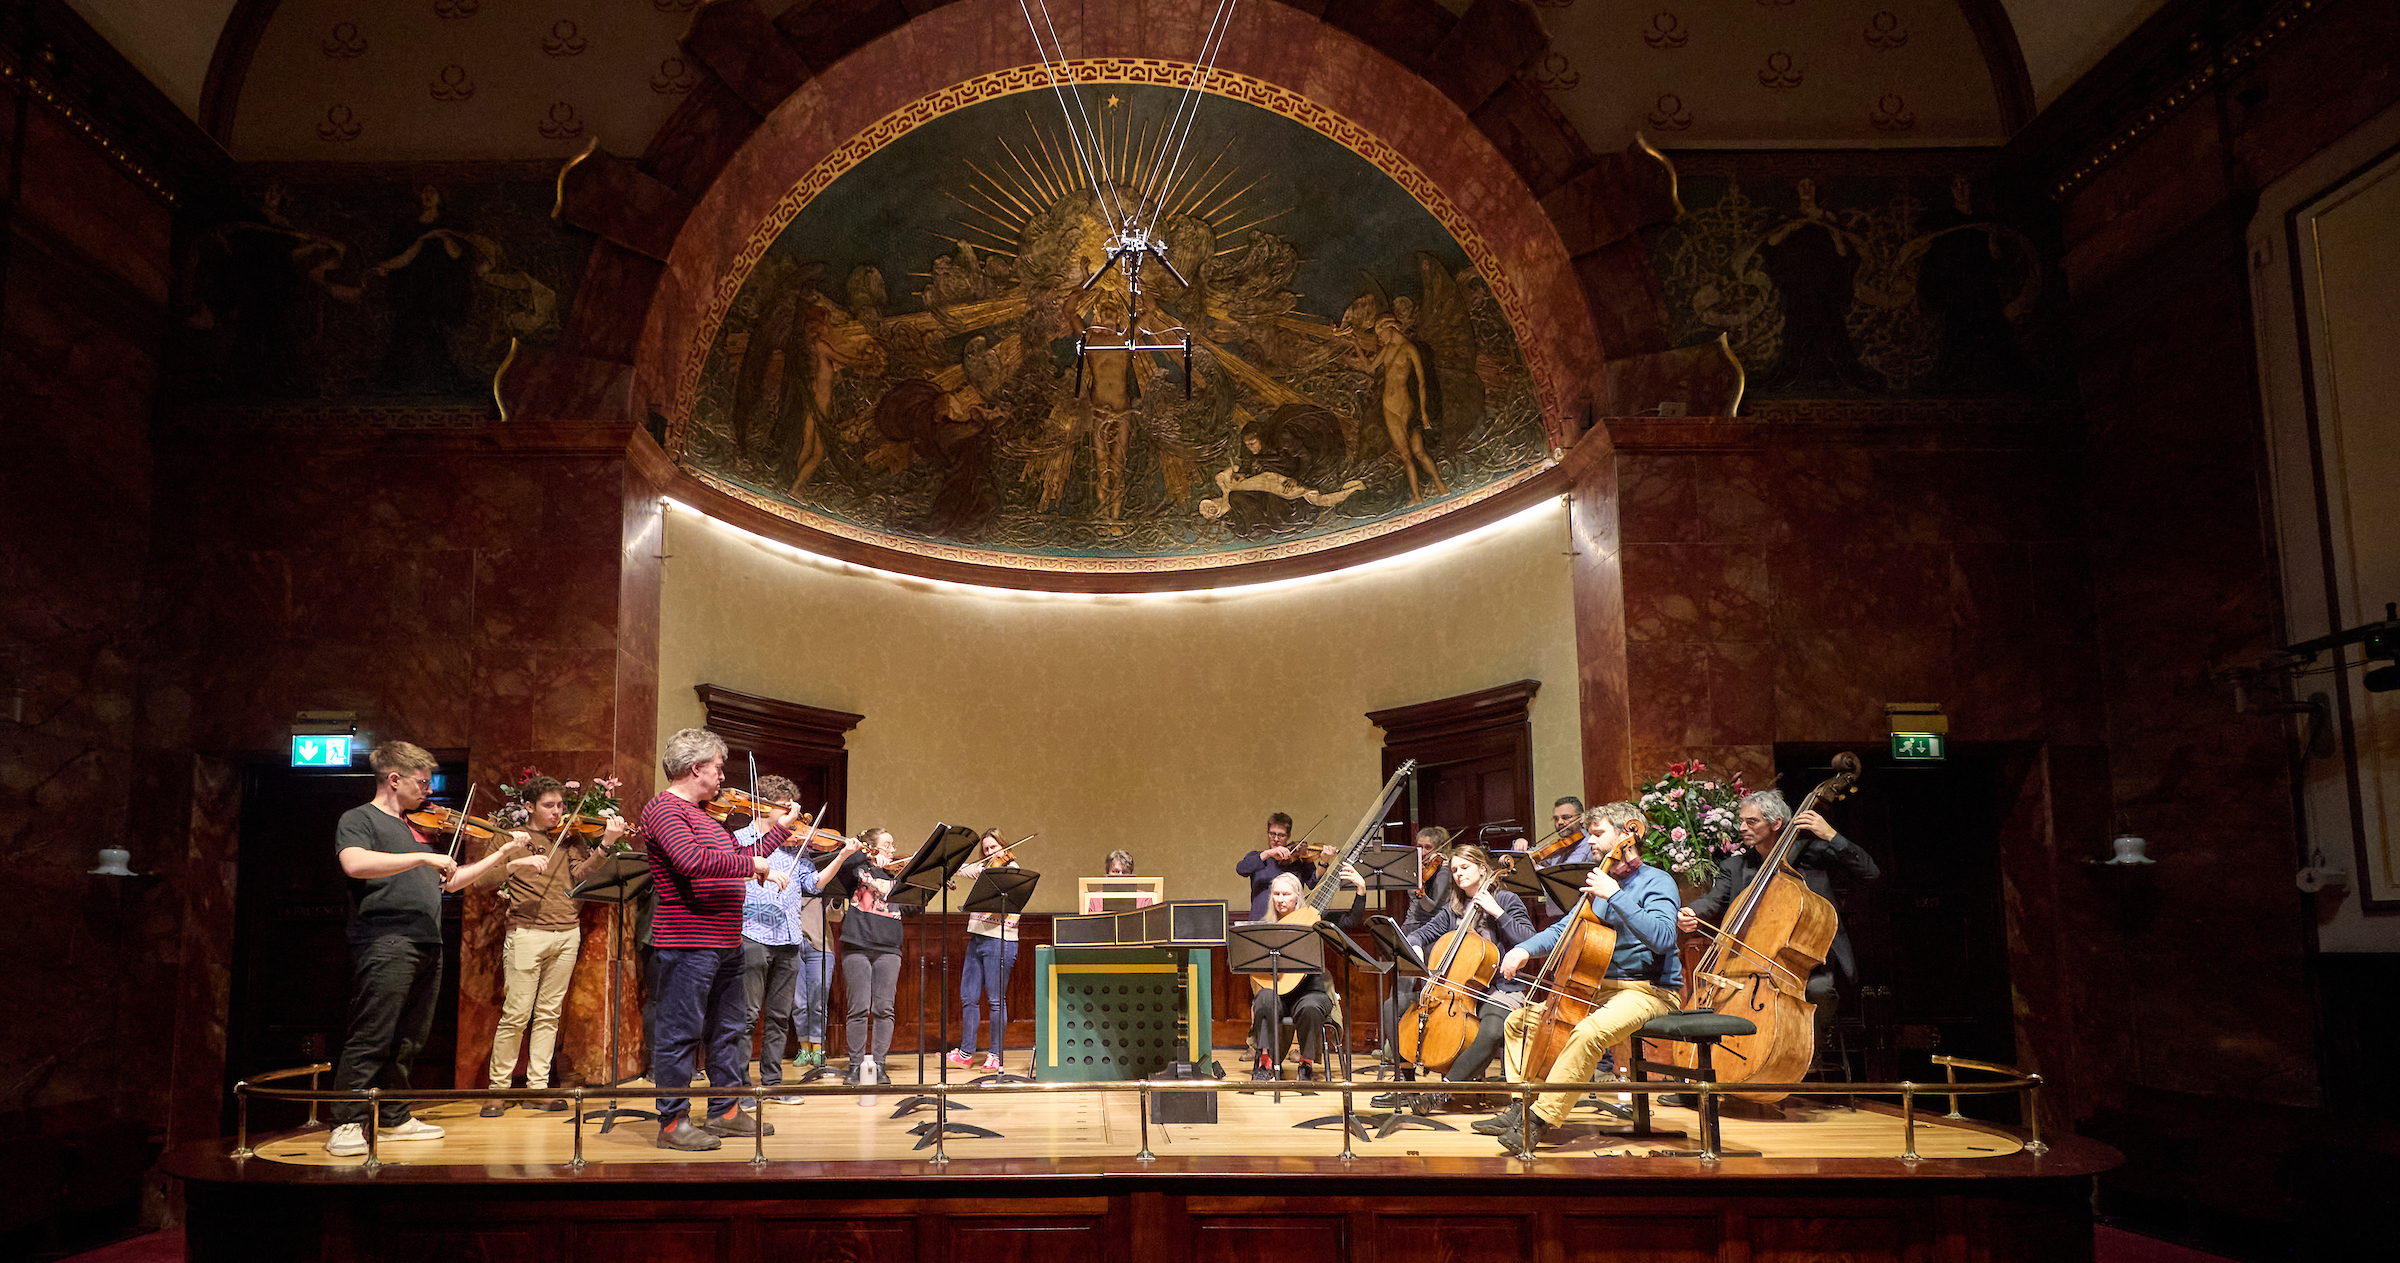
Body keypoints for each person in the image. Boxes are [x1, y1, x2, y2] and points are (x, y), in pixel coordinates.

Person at [325, 741, 538, 1158]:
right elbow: (353, 864)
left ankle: (393, 1117)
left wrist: (505, 853)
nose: (428, 791)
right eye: (421, 783)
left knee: (409, 1038)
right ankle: (347, 1122)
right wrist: (422, 859)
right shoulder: (359, 819)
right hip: (385, 940)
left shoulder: (417, 827)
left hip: (427, 941)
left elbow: (453, 882)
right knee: (372, 1034)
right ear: (394, 779)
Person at [1477, 801, 1680, 1156]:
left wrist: (1615, 896)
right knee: (1519, 1021)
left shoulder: (1655, 881)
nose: (1590, 840)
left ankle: (1538, 1121)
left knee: (1588, 1031)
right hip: (1599, 989)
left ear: (1626, 836)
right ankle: (1521, 1105)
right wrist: (1523, 950)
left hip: (1649, 990)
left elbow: (1663, 937)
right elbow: (1563, 929)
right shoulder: (1602, 880)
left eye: (1598, 833)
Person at [641, 728, 804, 1152]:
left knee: (729, 1029)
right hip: (687, 942)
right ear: (695, 769)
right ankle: (673, 1123)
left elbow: (743, 861)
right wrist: (751, 862)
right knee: (680, 1033)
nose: (721, 776)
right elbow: (692, 862)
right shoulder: (664, 809)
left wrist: (780, 831)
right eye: (717, 767)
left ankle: (725, 1111)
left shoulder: (705, 816)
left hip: (726, 939)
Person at [1677, 788, 1880, 1062]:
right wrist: (1691, 911)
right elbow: (1714, 899)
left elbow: (1870, 872)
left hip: (1807, 964)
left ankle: (1800, 1057)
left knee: (1819, 991)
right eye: (1741, 821)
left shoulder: (1814, 856)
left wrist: (1831, 835)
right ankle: (1704, 1070)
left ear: (1776, 824)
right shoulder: (1736, 866)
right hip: (1752, 963)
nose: (1742, 828)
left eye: (1752, 822)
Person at [473, 775, 623, 1116]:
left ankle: (537, 1087)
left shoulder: (570, 838)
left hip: (567, 932)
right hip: (527, 932)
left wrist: (605, 845)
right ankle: (498, 1089)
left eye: (560, 806)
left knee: (549, 1014)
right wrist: (515, 862)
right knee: (516, 1014)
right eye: (549, 806)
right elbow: (482, 880)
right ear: (529, 807)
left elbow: (583, 874)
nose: (557, 813)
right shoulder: (509, 839)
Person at [737, 775, 860, 1104]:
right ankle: (738, 1089)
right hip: (751, 936)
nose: (794, 816)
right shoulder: (740, 840)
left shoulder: (796, 848)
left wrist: (842, 856)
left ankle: (772, 1083)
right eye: (787, 808)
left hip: (789, 938)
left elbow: (816, 884)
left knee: (779, 1016)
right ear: (766, 807)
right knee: (747, 1016)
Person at [1396, 844, 1536, 1110]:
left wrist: (1497, 912)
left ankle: (1444, 1090)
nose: (1459, 874)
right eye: (1455, 870)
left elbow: (1529, 940)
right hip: (1456, 991)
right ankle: (1407, 1085)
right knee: (1396, 1006)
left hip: (1502, 989)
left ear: (1483, 869)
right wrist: (1414, 944)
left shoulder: (1506, 900)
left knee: (1494, 1030)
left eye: (1465, 867)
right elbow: (1420, 934)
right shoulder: (1454, 909)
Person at [1245, 867, 1364, 1083]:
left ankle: (1306, 1065)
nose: (1280, 899)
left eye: (1286, 894)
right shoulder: (1264, 928)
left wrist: (1360, 889)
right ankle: (1265, 1063)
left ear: (1297, 896)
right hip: (1278, 994)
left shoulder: (1315, 918)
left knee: (1310, 1007)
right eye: (1276, 894)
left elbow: (1351, 921)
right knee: (1263, 998)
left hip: (1311, 992)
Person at [822, 827, 905, 1085]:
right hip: (856, 944)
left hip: (889, 948)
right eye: (888, 844)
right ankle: (855, 1065)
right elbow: (839, 867)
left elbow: (912, 909)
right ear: (873, 846)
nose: (893, 850)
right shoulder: (857, 868)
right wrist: (861, 853)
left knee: (884, 1008)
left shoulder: (899, 876)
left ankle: (879, 1065)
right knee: (857, 1008)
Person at [950, 829, 1022, 1072]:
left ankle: (995, 1054)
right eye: (986, 849)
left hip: (1000, 940)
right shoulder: (983, 870)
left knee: (995, 1000)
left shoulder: (1013, 873)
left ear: (1004, 846)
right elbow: (961, 869)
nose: (990, 852)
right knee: (968, 997)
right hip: (977, 938)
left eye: (994, 847)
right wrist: (946, 865)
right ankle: (966, 1052)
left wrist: (986, 872)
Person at [1234, 812, 1316, 922]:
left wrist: (1324, 862)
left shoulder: (1298, 860)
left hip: (1291, 921)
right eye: (1272, 834)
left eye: (1281, 835)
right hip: (1259, 921)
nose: (1276, 839)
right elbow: (1241, 869)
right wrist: (1268, 853)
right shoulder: (1258, 857)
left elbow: (1313, 883)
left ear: (1289, 836)